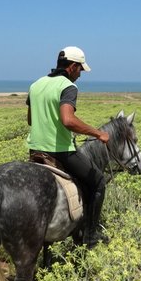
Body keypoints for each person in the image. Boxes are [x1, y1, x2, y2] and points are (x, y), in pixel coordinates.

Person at [26, 46, 109, 248]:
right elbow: (68, 120)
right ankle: (90, 234)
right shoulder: (68, 87)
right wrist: (98, 133)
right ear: (72, 67)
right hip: (60, 151)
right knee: (98, 182)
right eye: (80, 69)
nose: (80, 74)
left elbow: (30, 120)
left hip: (35, 149)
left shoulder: (36, 84)